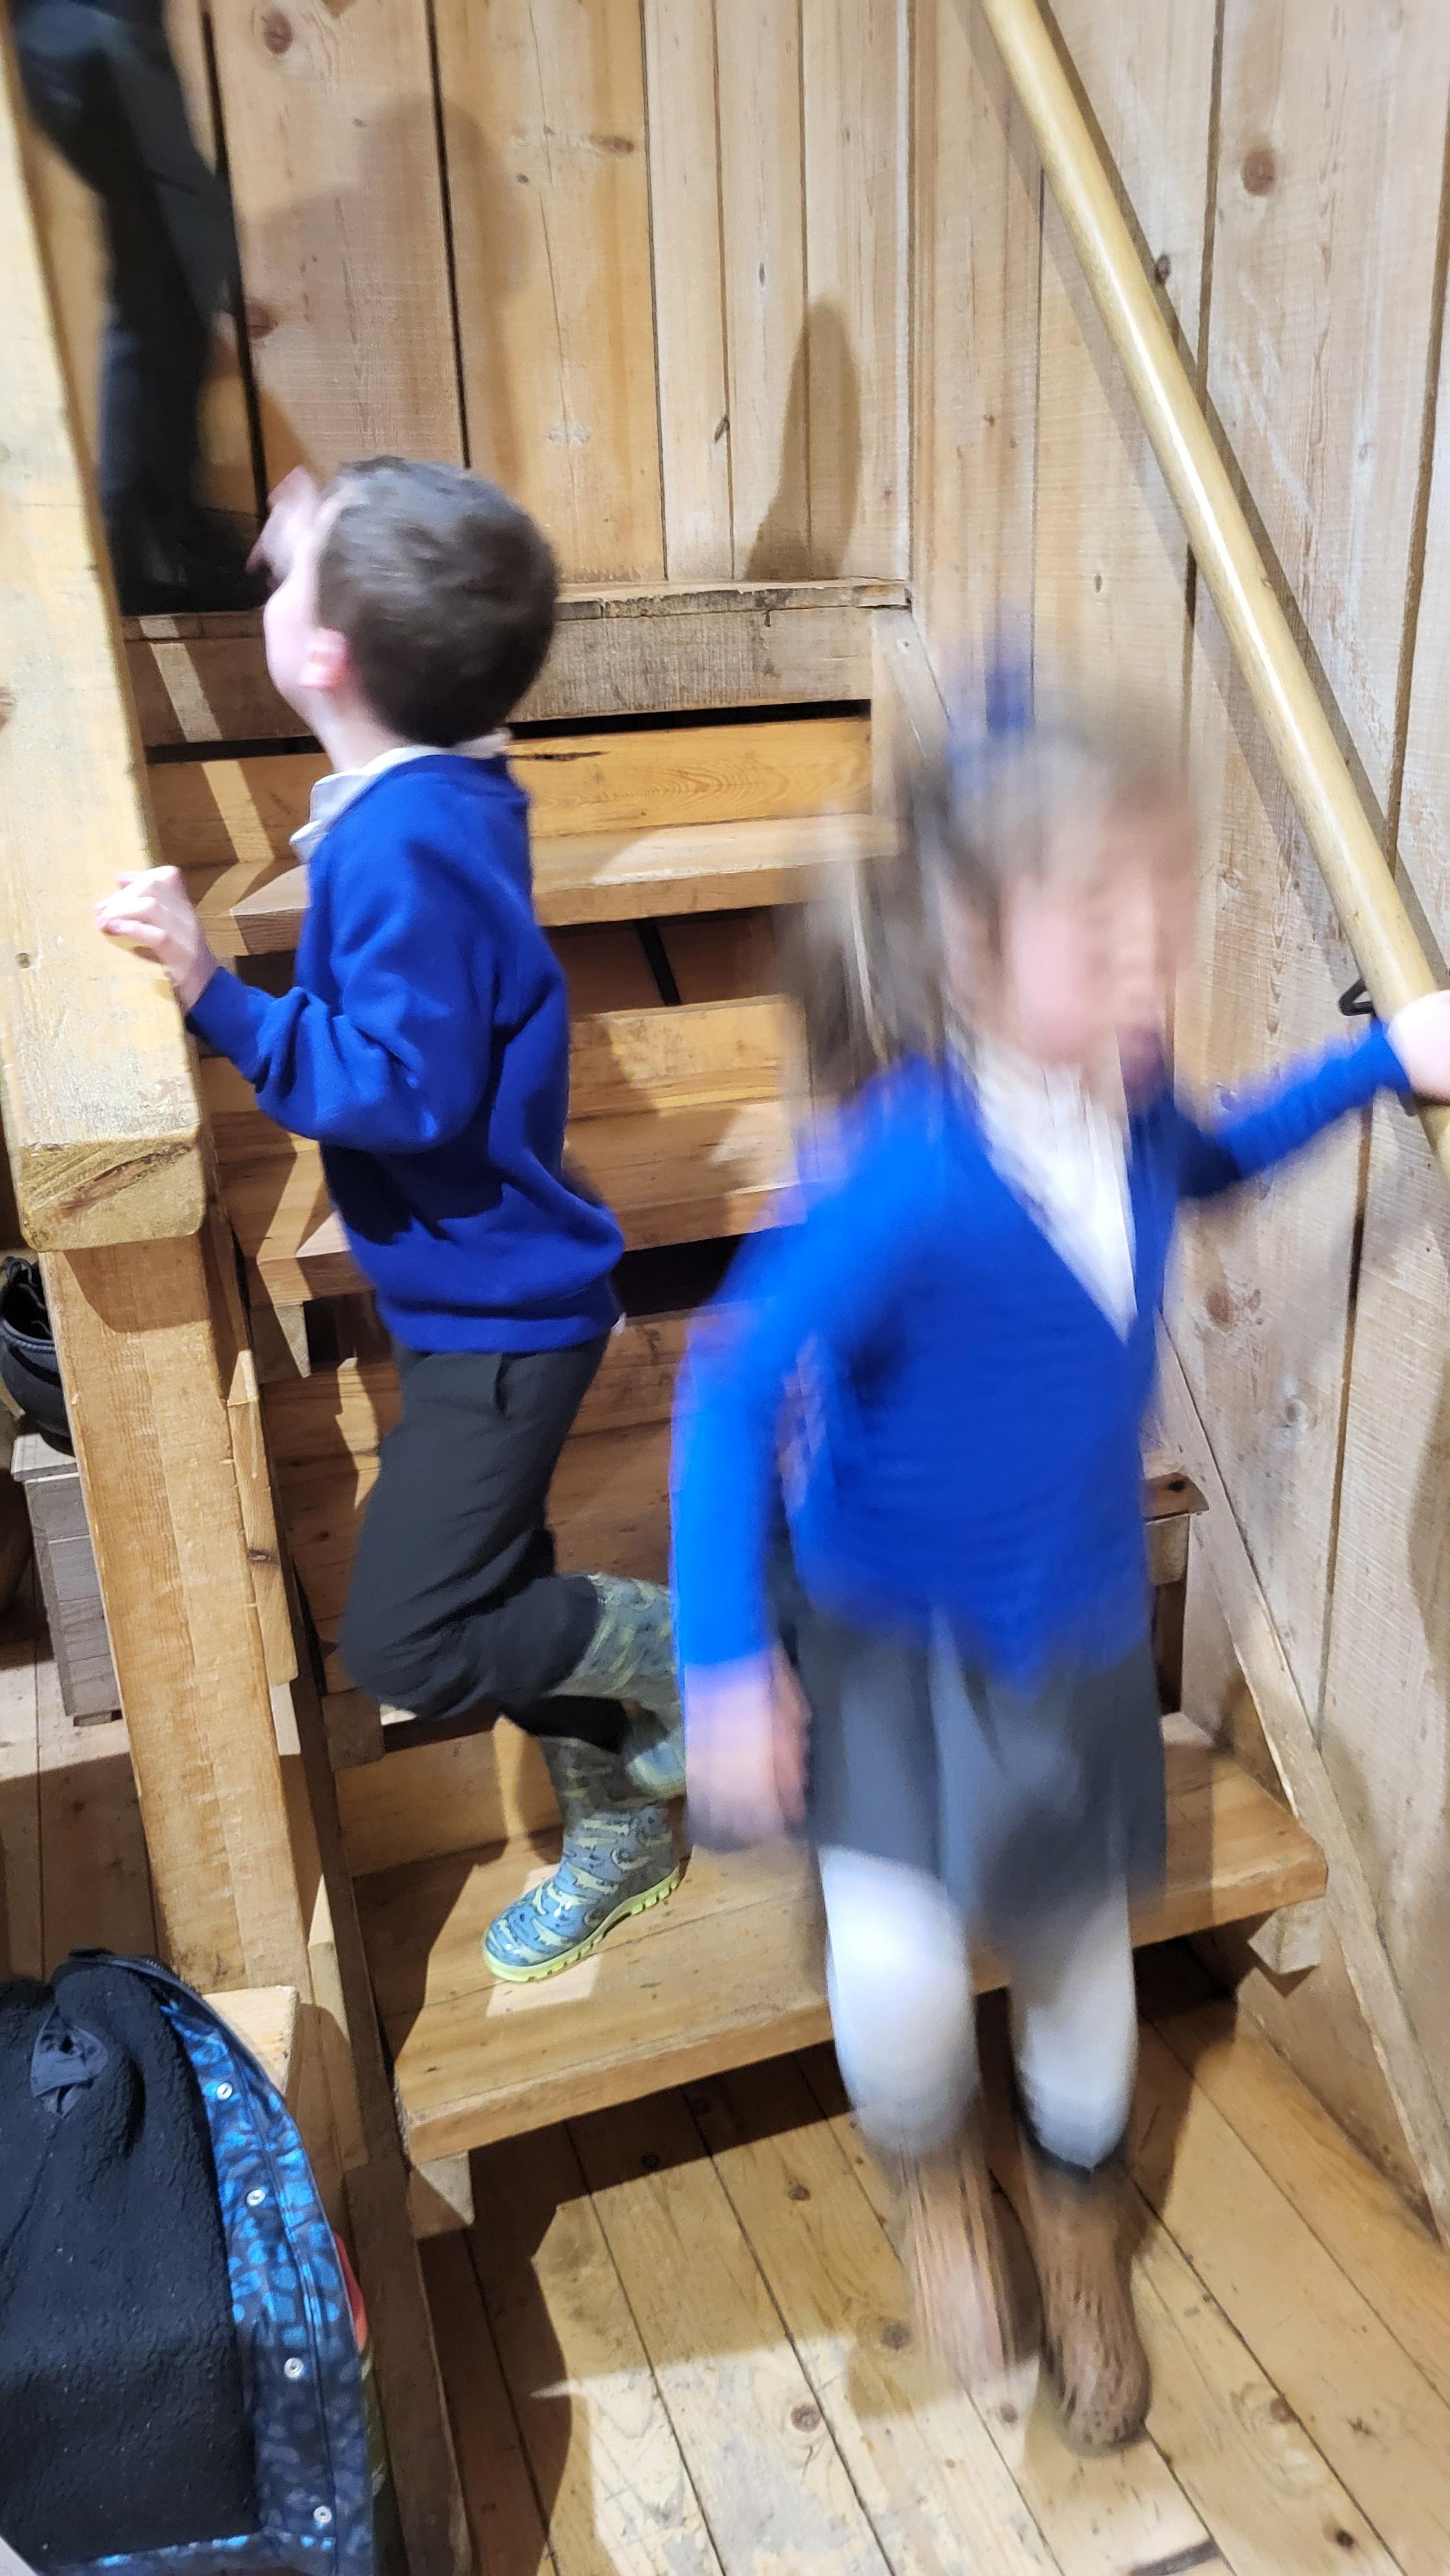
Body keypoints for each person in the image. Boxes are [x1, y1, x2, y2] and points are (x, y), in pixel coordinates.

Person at [671, 679, 1450, 2447]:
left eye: (1156, 912)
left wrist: (1376, 1061)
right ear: (969, 946)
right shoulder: (907, 1176)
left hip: (1079, 1637)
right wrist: (722, 1659)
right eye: (1090, 923)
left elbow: (1211, 1159)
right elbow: (725, 1389)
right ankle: (938, 2186)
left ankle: (1079, 2234)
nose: (1140, 956)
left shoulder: (1130, 1106)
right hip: (889, 1641)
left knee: (1081, 1963)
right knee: (893, 1981)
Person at [96, 457, 687, 1980]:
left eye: (297, 567)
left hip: (499, 1323)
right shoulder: (439, 781)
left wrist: (213, 990)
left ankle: (707, 1656)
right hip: (479, 1297)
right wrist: (341, 538)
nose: (278, 556)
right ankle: (625, 1834)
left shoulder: (405, 839)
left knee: (406, 1642)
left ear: (322, 658)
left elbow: (402, 1088)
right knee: (507, 1597)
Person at [7, 0, 263, 612]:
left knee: (175, 246)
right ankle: (146, 543)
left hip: (97, 24)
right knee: (169, 253)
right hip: (90, 23)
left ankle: (157, 530)